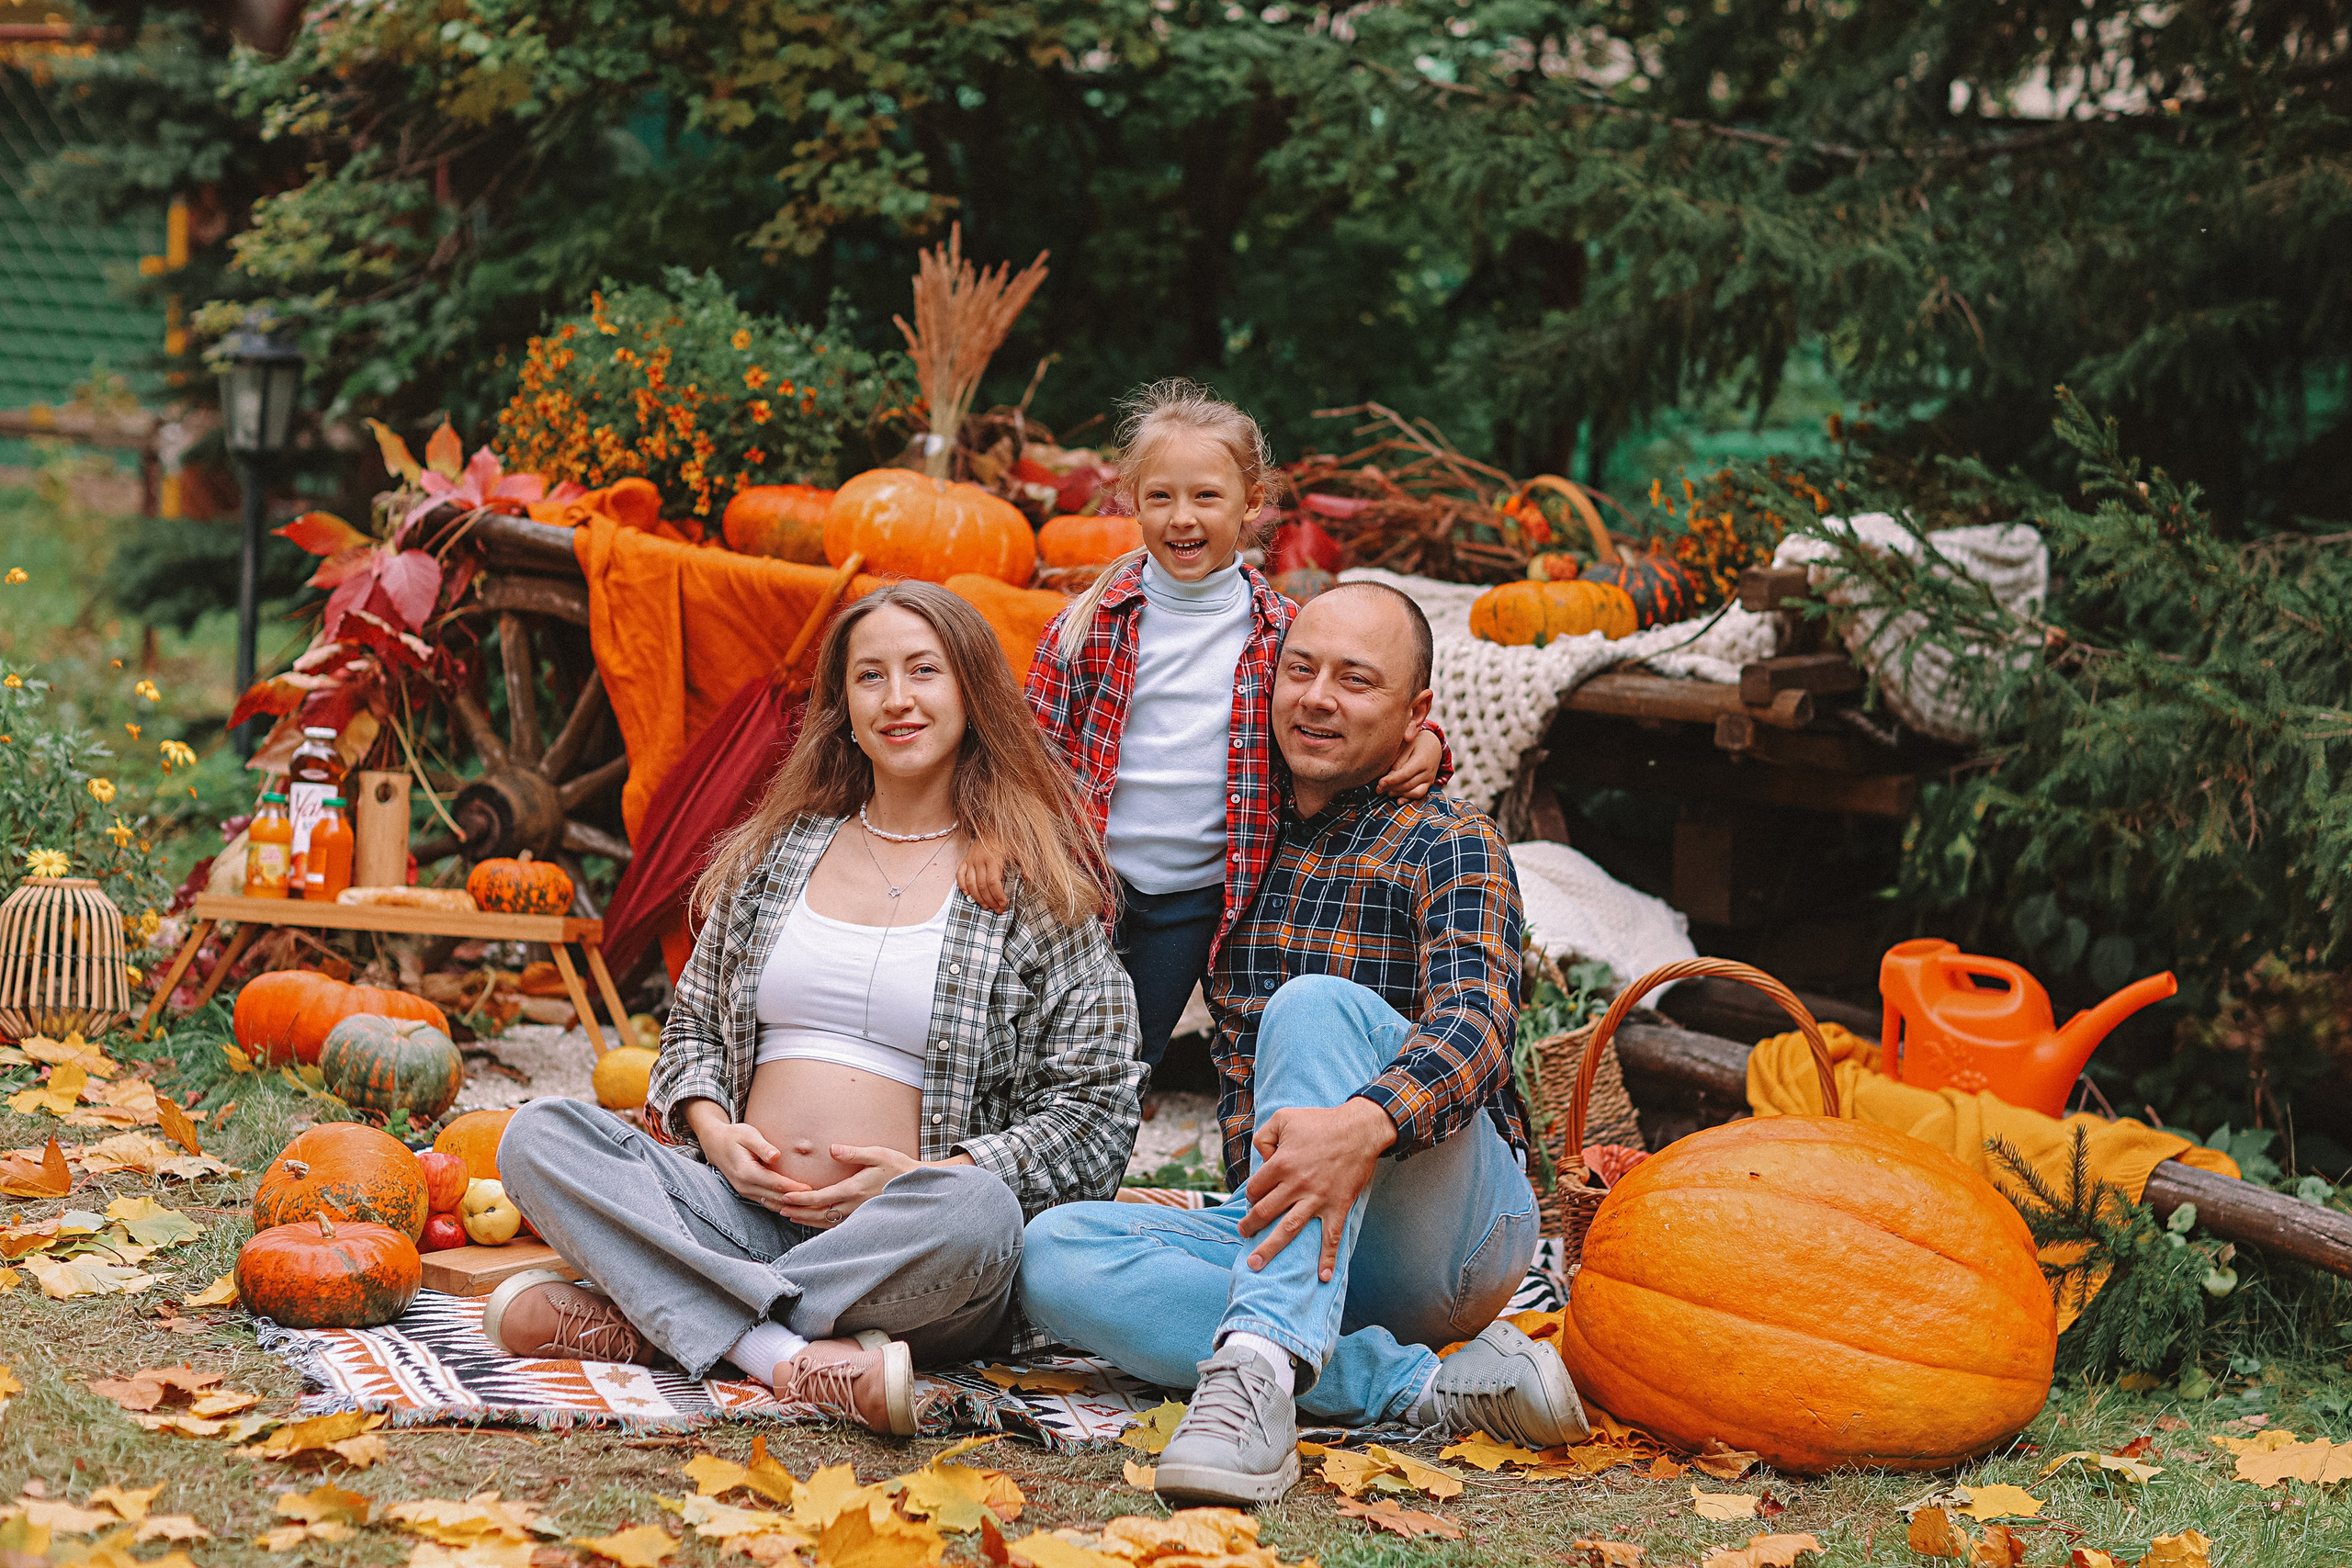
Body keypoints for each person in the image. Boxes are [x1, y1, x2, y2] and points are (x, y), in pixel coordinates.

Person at [487, 581, 1143, 1436]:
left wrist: (932, 1174)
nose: (896, 698)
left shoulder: (1028, 882)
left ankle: (663, 1318)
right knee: (537, 1134)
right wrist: (716, 1132)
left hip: (897, 1248)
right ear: (843, 704)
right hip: (732, 1211)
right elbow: (690, 1033)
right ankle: (785, 1356)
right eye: (870, 676)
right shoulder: (779, 855)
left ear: (971, 692)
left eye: (923, 672)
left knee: (980, 1213)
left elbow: (1097, 1109)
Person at [1018, 581, 1585, 1506]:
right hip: (1295, 1234)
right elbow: (1167, 611)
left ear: (1416, 715)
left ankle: (1253, 1380)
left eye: (1356, 681)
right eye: (1300, 670)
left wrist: (1362, 1125)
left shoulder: (1452, 843)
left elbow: (1476, 1030)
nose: (1317, 697)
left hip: (1446, 1230)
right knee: (1053, 1252)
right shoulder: (1236, 839)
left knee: (1313, 1006)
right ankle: (1408, 1384)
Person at [963, 380, 1444, 1077]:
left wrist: (1427, 744)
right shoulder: (1093, 621)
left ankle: (1098, 1169)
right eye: (1160, 497)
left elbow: (1348, 711)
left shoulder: (1281, 629)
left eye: (1206, 497)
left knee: (1132, 1057)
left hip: (1195, 897)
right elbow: (1026, 742)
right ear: (1130, 501)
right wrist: (991, 828)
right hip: (1083, 878)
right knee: (1036, 1040)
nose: (1181, 518)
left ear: (1252, 503)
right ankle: (1008, 1169)